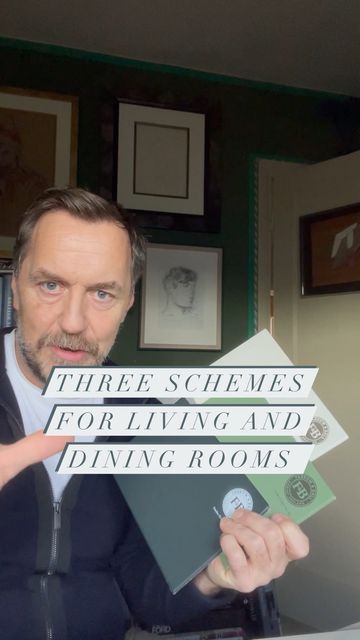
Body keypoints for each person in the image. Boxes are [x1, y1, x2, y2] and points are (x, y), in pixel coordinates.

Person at [0, 187, 309, 640]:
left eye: (102, 294)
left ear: (128, 303)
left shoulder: (144, 414)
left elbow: (144, 599)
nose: (72, 321)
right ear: (14, 289)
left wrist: (210, 578)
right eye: (51, 285)